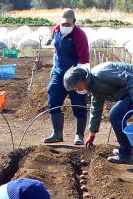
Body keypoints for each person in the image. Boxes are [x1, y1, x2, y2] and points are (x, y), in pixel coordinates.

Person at [63, 62, 133, 163]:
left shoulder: (101, 73)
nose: (77, 91)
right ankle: (126, 150)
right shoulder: (93, 86)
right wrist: (92, 133)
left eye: (75, 89)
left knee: (116, 116)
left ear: (79, 84)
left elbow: (129, 78)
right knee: (117, 115)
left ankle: (126, 154)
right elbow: (96, 108)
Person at [43, 8, 90, 145]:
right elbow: (56, 50)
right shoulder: (56, 30)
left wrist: (79, 75)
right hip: (59, 72)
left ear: (74, 23)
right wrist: (54, 66)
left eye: (68, 25)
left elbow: (84, 58)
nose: (65, 27)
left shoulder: (80, 35)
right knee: (53, 97)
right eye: (63, 24)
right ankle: (57, 133)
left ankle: (79, 135)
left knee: (79, 102)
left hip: (75, 73)